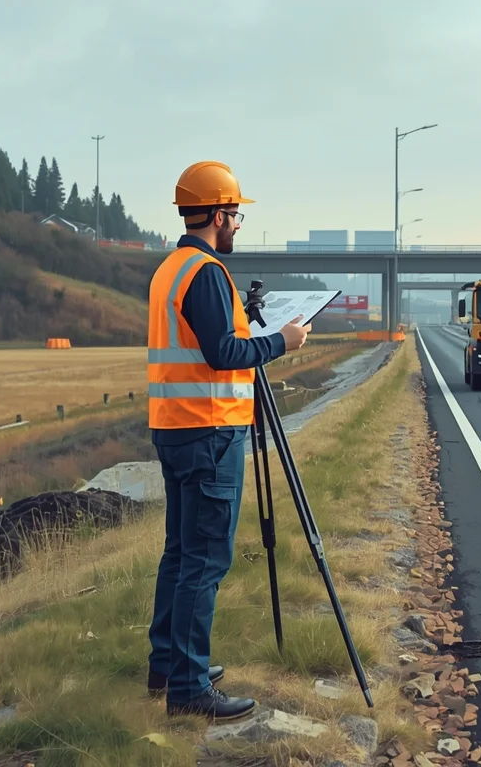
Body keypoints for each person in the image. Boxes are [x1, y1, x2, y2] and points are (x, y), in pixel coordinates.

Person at [145, 161, 311, 721]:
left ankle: (168, 663)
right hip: (211, 430)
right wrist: (282, 342)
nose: (238, 223)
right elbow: (225, 353)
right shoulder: (208, 273)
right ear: (217, 214)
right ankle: (189, 688)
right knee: (206, 559)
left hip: (175, 427)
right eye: (236, 214)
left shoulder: (170, 268)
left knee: (180, 551)